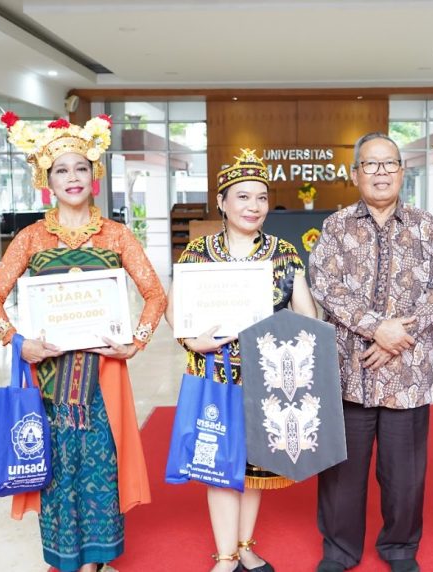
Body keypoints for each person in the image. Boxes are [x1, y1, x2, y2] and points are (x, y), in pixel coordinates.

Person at [0, 113, 167, 572]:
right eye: (61, 170)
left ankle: (95, 560)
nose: (72, 178)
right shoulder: (31, 239)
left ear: (94, 174)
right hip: (47, 378)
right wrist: (17, 340)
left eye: (80, 167)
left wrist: (135, 343)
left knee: (101, 463)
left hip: (102, 376)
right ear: (48, 180)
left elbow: (155, 295)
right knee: (56, 467)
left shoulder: (117, 235)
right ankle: (64, 557)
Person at [310, 133, 433, 572]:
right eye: (370, 165)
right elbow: (324, 285)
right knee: (341, 474)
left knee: (405, 475)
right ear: (355, 173)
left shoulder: (427, 225)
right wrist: (378, 328)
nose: (380, 173)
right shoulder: (336, 227)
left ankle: (399, 548)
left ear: (401, 171)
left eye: (388, 164)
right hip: (349, 371)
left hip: (407, 374)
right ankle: (339, 550)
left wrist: (399, 337)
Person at [166, 149, 317, 572]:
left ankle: (245, 545)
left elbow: (308, 315)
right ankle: (226, 556)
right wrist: (190, 341)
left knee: (254, 470)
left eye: (262, 198)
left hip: (264, 377)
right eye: (243, 197)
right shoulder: (199, 251)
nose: (254, 207)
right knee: (219, 465)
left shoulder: (283, 252)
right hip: (214, 374)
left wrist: (285, 328)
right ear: (222, 201)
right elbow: (174, 309)